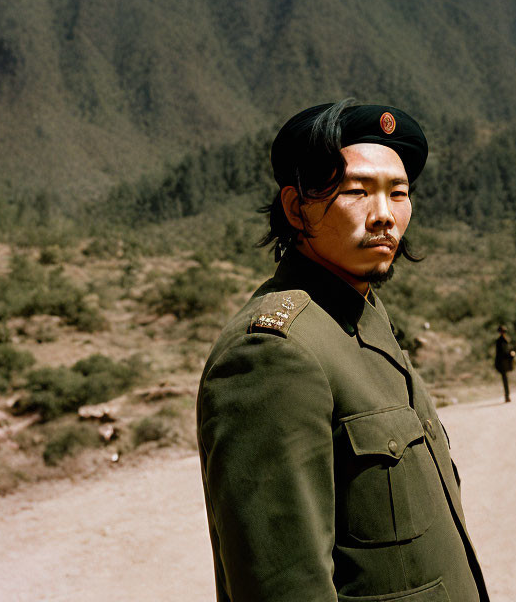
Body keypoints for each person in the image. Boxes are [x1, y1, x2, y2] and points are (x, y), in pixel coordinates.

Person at [197, 101, 490, 601]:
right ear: (295, 208)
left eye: (398, 193)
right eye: (357, 191)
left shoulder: (359, 319)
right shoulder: (274, 354)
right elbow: (283, 587)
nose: (384, 216)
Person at [494, 325, 515, 403]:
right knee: (505, 379)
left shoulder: (504, 340)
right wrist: (510, 355)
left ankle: (507, 395)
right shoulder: (501, 341)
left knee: (505, 379)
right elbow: (502, 353)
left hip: (504, 362)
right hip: (502, 362)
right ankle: (507, 396)